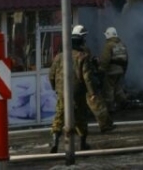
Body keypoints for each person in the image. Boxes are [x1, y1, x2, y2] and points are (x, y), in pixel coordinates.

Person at [49, 24, 114, 153]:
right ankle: (83, 144)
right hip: (77, 92)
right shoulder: (82, 57)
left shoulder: (59, 57)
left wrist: (55, 88)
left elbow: (51, 74)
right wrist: (92, 92)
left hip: (62, 92)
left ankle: (54, 142)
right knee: (81, 118)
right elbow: (87, 77)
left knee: (59, 117)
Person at [100, 26, 129, 113]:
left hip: (111, 71)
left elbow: (105, 59)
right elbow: (126, 59)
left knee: (109, 89)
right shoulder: (122, 45)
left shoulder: (108, 45)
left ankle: (110, 107)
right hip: (120, 70)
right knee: (118, 88)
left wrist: (101, 70)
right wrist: (124, 71)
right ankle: (123, 101)